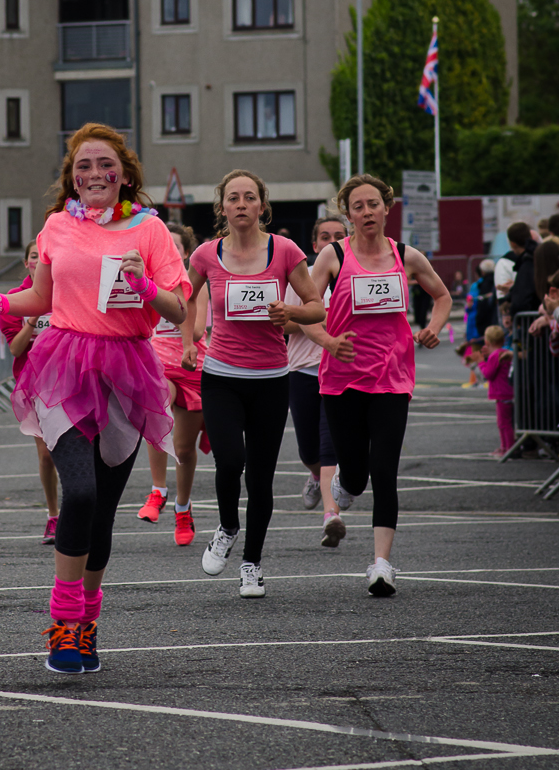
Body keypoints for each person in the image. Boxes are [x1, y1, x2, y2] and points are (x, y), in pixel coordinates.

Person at [0, 123, 190, 675]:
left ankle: (87, 630)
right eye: (83, 166)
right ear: (71, 176)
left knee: (105, 514)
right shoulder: (55, 226)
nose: (94, 174)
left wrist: (144, 286)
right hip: (65, 365)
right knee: (83, 492)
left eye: (104, 165)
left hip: (126, 368)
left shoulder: (151, 231)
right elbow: (40, 296)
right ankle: (64, 629)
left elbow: (179, 310)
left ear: (124, 174)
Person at [304, 173, 451, 598]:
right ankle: (345, 486)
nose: (367, 212)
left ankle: (381, 564)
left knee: (384, 469)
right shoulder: (333, 256)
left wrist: (433, 327)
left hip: (392, 377)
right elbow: (306, 312)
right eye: (358, 207)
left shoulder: (407, 255)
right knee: (356, 470)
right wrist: (330, 341)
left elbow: (442, 297)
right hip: (342, 378)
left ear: (387, 208)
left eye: (373, 204)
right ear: (348, 214)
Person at [186, 171, 325, 599]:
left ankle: (252, 563)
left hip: (270, 379)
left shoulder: (284, 250)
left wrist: (291, 315)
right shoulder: (206, 256)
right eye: (233, 198)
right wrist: (189, 339)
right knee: (230, 461)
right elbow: (183, 299)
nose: (242, 204)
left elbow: (316, 307)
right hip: (222, 375)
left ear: (262, 206)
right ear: (222, 207)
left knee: (261, 478)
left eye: (250, 197)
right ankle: (227, 526)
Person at [137, 222, 209, 546]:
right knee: (156, 405)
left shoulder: (196, 284)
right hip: (159, 362)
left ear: (184, 253)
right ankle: (157, 490)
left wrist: (177, 306)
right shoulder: (145, 284)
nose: (169, 253)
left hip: (191, 363)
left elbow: (195, 332)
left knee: (183, 448)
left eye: (176, 248)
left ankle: (183, 507)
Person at [286, 214, 348, 548]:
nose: (331, 242)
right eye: (325, 237)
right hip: (303, 371)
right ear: (314, 244)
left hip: (340, 373)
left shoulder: (355, 277)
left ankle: (331, 515)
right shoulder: (302, 277)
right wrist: (314, 316)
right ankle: (313, 477)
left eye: (339, 236)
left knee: (329, 448)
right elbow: (281, 325)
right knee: (309, 450)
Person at [0, 240, 59, 544]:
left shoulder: (67, 292)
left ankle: (83, 512)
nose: (38, 261)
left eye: (43, 257)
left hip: (70, 379)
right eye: (34, 257)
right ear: (27, 264)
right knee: (47, 454)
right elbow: (15, 348)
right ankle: (53, 515)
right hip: (33, 383)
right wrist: (33, 318)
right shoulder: (13, 300)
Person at [477, 324, 514, 456]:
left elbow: (488, 374)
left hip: (501, 392)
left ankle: (509, 448)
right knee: (504, 422)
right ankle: (504, 447)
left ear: (487, 341)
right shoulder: (505, 352)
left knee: (504, 423)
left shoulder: (494, 356)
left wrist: (481, 362)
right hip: (508, 392)